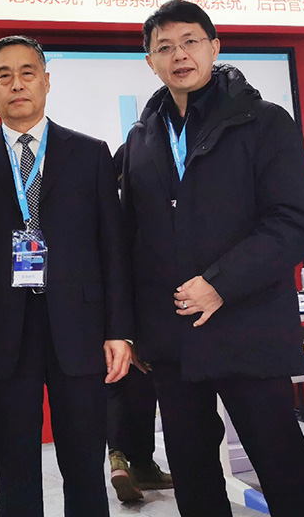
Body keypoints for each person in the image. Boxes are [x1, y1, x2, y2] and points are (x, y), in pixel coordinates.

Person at [121, 0, 304, 516]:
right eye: (164, 47)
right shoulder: (141, 139)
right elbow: (132, 238)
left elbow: (294, 221)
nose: (179, 55)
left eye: (190, 41)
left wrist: (220, 283)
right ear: (150, 61)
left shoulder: (264, 122)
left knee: (280, 464)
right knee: (193, 477)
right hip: (173, 338)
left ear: (214, 47)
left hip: (248, 325)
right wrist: (135, 327)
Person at [0, 35, 133, 517]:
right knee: (14, 466)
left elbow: (112, 249)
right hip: (1, 333)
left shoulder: (90, 153)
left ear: (46, 81)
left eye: (27, 73)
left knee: (84, 463)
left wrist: (119, 330)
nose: (17, 84)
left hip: (79, 328)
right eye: (3, 75)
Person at [106, 144, 172, 502]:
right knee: (143, 386)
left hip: (106, 314)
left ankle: (119, 458)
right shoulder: (144, 212)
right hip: (142, 311)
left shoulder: (102, 211)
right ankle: (143, 464)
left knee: (115, 385)